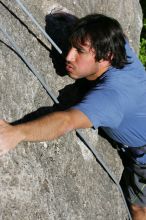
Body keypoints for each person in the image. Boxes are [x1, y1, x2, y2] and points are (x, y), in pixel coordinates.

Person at [0, 14, 146, 220]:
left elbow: (66, 120)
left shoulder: (111, 98)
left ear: (107, 57)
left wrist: (17, 132)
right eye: (72, 46)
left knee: (140, 208)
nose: (68, 56)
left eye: (80, 51)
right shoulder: (121, 49)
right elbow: (117, 32)